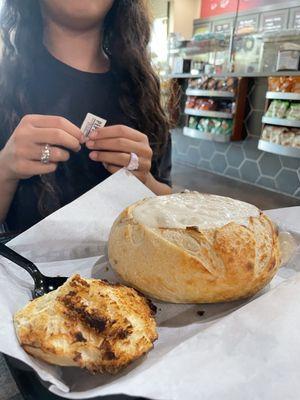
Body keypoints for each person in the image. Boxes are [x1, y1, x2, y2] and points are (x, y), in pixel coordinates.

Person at [0, 0, 172, 234]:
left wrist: (145, 181)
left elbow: (169, 204)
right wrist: (5, 169)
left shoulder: (141, 90)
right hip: (25, 270)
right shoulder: (4, 85)